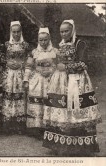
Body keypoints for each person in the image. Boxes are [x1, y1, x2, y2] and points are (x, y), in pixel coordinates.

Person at [42, 20, 102, 156]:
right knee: (61, 108)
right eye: (61, 31)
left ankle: (80, 147)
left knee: (77, 108)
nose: (63, 34)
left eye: (66, 31)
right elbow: (58, 61)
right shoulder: (61, 44)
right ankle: (60, 145)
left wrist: (67, 67)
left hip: (77, 80)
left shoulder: (80, 44)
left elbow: (83, 63)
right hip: (61, 81)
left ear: (72, 30)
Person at [23, 27, 57, 139]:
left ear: (49, 39)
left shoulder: (55, 51)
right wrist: (26, 80)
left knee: (49, 101)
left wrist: (51, 71)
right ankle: (36, 127)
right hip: (38, 80)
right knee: (37, 103)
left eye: (45, 40)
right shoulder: (34, 52)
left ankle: (48, 127)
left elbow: (59, 65)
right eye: (40, 40)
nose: (43, 42)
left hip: (50, 79)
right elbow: (28, 66)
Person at [1, 21, 32, 134]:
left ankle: (19, 124)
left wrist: (22, 64)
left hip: (20, 73)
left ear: (21, 32)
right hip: (9, 74)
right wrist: (7, 63)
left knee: (20, 96)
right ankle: (8, 123)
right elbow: (2, 58)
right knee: (9, 95)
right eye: (14, 32)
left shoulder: (25, 45)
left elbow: (30, 59)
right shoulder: (6, 45)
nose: (16, 34)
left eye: (18, 31)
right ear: (11, 32)